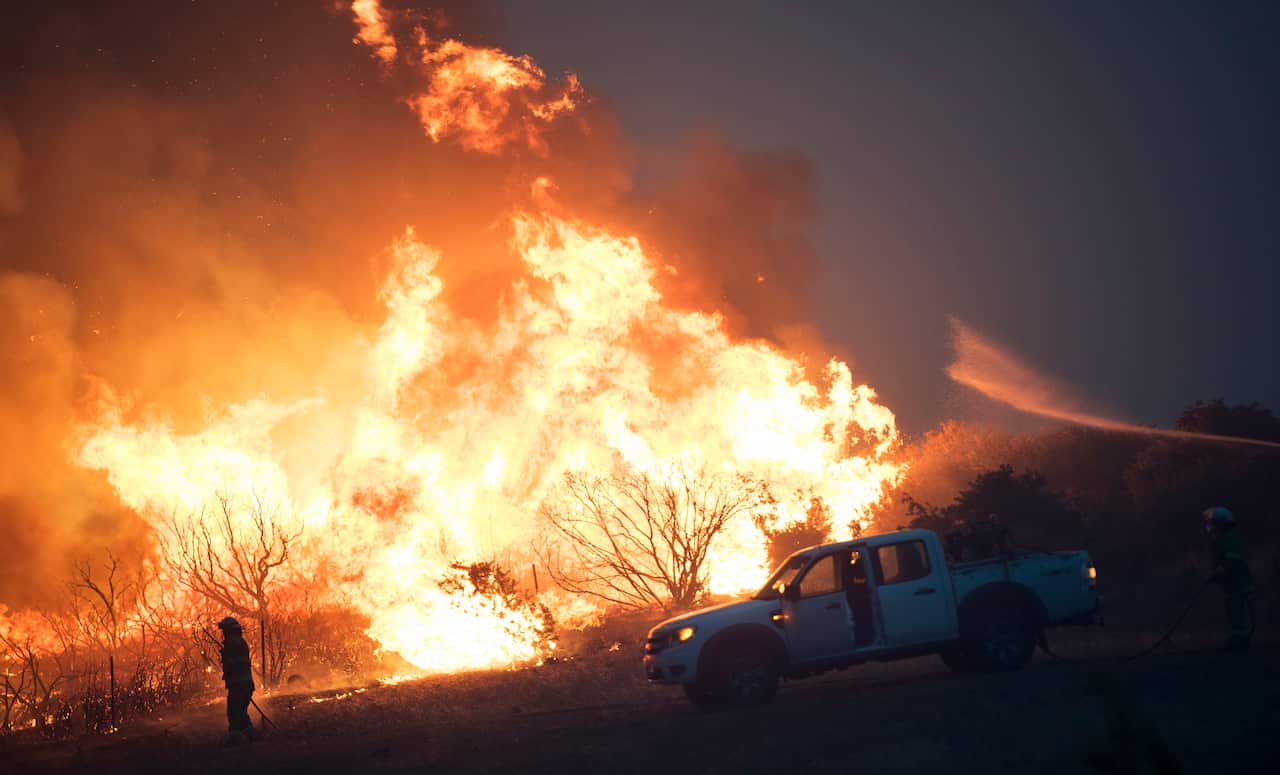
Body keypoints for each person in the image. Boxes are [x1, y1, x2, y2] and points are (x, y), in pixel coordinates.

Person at [1203, 507, 1253, 650]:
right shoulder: (1224, 539)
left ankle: (1238, 638)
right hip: (1233, 583)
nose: (1211, 527)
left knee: (1235, 608)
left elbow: (1232, 559)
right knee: (1232, 608)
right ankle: (1237, 636)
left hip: (1237, 582)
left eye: (1213, 523)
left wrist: (1222, 569)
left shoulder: (1228, 539)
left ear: (1221, 524)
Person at [217, 616, 258, 744]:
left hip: (238, 685)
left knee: (234, 713)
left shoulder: (232, 644)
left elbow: (234, 665)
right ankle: (252, 735)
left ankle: (235, 740)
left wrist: (226, 655)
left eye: (224, 630)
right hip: (245, 684)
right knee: (241, 713)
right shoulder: (241, 642)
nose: (223, 633)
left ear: (229, 631)